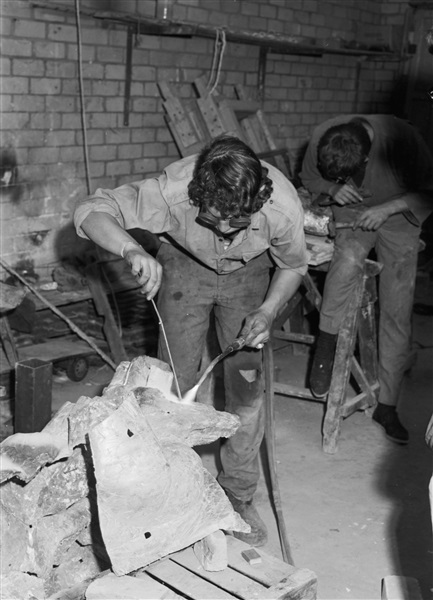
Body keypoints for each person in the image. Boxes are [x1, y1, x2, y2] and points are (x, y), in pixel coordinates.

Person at [74, 135, 308, 546]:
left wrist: (268, 310)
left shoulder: (282, 208)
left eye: (236, 223)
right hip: (183, 267)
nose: (223, 232)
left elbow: (292, 265)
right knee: (172, 389)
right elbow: (90, 210)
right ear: (198, 196)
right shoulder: (172, 191)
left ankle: (237, 494)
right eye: (212, 218)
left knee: (246, 390)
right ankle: (172, 490)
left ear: (256, 204)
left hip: (250, 276)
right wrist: (131, 249)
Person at [300, 115, 433, 445]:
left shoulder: (405, 142)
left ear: (368, 158)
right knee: (345, 264)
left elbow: (430, 193)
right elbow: (308, 178)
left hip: (400, 217)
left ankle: (386, 405)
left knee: (396, 309)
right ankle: (326, 346)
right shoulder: (321, 135)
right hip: (354, 213)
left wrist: (389, 208)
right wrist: (333, 188)